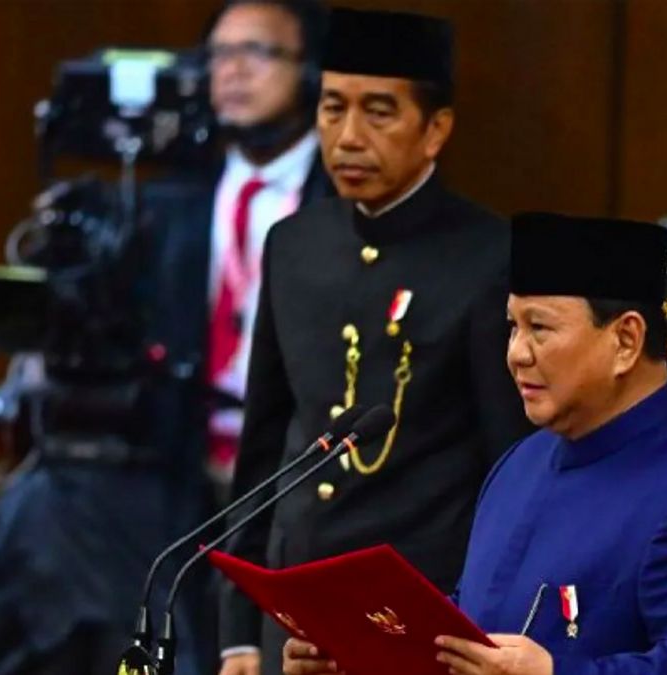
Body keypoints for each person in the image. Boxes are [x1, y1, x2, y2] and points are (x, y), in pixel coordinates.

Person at [0, 3, 330, 674]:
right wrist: (16, 391)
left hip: (290, 474)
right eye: (218, 56)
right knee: (52, 506)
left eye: (258, 52)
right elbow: (89, 317)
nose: (232, 72)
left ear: (310, 74)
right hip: (169, 468)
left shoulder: (342, 197)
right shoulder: (161, 203)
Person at [284, 213, 667, 674]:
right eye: (512, 326)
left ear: (625, 340)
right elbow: (471, 631)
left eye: (539, 328)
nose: (516, 354)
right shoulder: (522, 462)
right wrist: (357, 654)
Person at [219, 8, 530, 675]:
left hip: (418, 606)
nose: (348, 136)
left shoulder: (489, 256)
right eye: (333, 108)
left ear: (435, 129)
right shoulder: (294, 243)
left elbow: (511, 465)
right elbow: (266, 442)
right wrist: (238, 630)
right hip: (296, 610)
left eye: (379, 112)